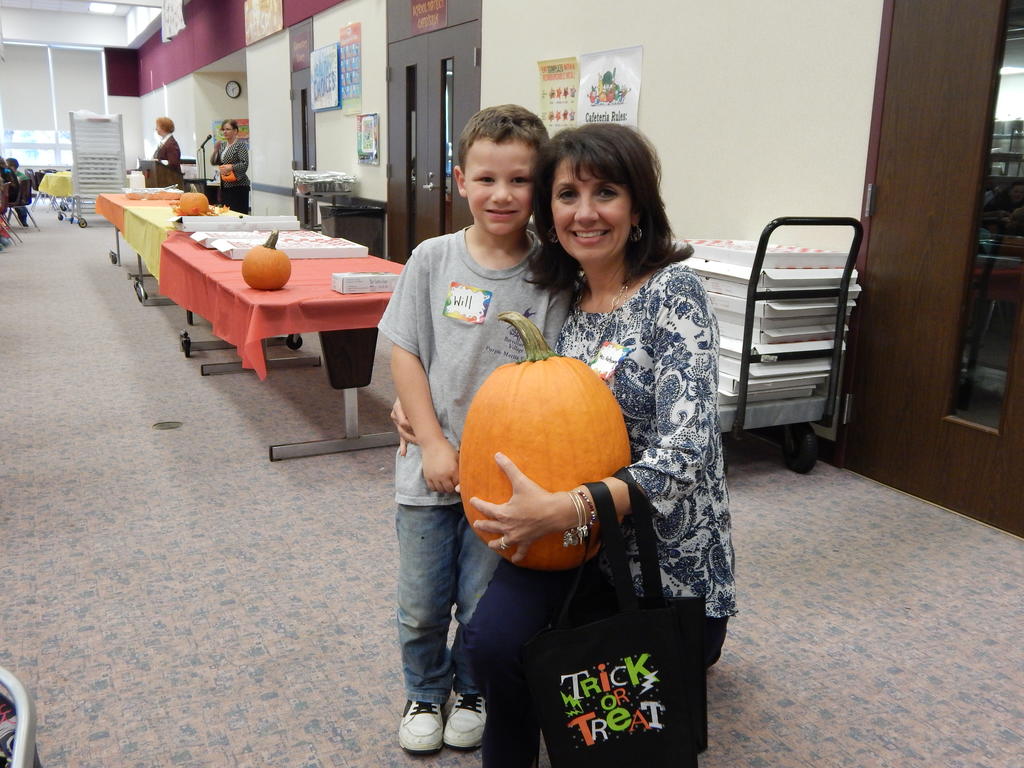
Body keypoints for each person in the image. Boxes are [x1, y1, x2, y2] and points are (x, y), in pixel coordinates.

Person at [461, 123, 737, 768]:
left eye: (605, 192)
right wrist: (416, 412)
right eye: (567, 195)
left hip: (660, 556)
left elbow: (689, 448)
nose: (584, 213)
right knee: (492, 645)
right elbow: (516, 406)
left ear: (638, 208)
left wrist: (575, 505)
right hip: (568, 543)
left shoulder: (674, 294)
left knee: (621, 709)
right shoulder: (562, 300)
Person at [377, 104, 570, 755]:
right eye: (486, 179)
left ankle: (472, 688)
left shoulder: (550, 275)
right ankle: (424, 690)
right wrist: (432, 441)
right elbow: (405, 350)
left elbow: (555, 380)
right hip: (428, 470)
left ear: (539, 185)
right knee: (422, 602)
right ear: (461, 180)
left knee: (481, 600)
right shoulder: (433, 259)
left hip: (502, 483)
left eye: (519, 180)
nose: (502, 195)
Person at [214, 119, 250, 214]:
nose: (225, 132)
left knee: (238, 214)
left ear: (235, 131)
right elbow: (216, 162)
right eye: (223, 129)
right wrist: (215, 150)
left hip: (238, 186)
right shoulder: (222, 146)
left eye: (228, 129)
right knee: (227, 214)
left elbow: (245, 163)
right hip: (225, 185)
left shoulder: (240, 145)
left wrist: (231, 167)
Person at [4, 158, 30, 227]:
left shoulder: (15, 177)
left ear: (11, 167)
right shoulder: (20, 175)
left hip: (17, 198)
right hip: (21, 198)